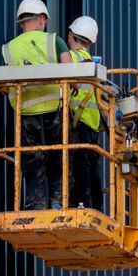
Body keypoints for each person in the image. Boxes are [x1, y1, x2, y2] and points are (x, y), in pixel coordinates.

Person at [2, 0, 63, 209]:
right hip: (54, 110)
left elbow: (6, 84)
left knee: (32, 161)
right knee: (58, 158)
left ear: (21, 23)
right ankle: (58, 204)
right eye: (44, 21)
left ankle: (36, 205)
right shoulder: (53, 40)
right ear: (40, 19)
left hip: (26, 113)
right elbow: (70, 70)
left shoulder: (9, 48)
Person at [60, 15, 105, 211]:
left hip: (79, 122)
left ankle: (81, 204)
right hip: (92, 123)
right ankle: (95, 206)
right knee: (91, 166)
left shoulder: (72, 58)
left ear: (70, 35)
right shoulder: (93, 64)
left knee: (79, 167)